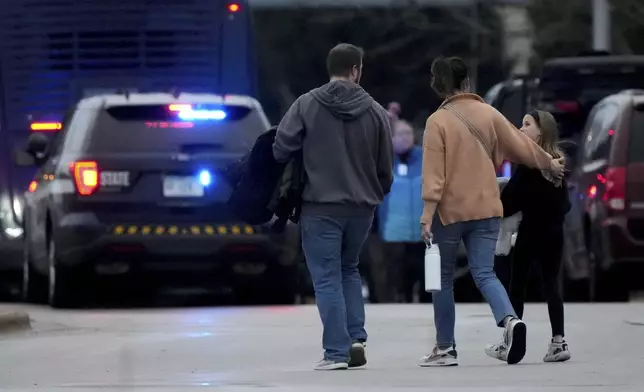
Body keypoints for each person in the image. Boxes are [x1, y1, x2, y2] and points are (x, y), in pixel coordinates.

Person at [418, 56, 565, 367]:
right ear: (467, 83)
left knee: (443, 280)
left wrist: (427, 214)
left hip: (451, 211)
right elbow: (521, 146)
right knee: (484, 273)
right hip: (487, 209)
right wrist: (549, 162)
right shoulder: (489, 114)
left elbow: (433, 175)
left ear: (437, 86)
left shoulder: (437, 122)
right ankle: (511, 321)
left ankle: (445, 349)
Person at [273, 43, 394, 371]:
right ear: (356, 70)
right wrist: (374, 194)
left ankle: (336, 352)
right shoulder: (376, 112)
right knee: (349, 269)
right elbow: (386, 169)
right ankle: (356, 339)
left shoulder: (307, 104)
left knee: (326, 278)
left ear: (332, 68)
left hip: (320, 206)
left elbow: (281, 146)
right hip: (361, 208)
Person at [486, 110, 572, 363]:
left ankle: (511, 343)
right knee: (551, 285)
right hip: (555, 232)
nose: (521, 129)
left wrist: (494, 194)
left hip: (531, 232)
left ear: (541, 131)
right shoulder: (558, 164)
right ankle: (559, 341)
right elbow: (565, 204)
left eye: (527, 125)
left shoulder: (529, 167)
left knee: (517, 286)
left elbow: (509, 203)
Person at [378, 118, 430, 303]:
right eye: (400, 133)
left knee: (424, 278)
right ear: (390, 138)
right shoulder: (383, 160)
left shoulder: (426, 157)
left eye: (408, 133)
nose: (406, 137)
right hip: (393, 234)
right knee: (398, 279)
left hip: (421, 232)